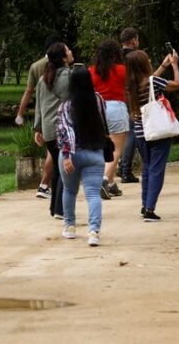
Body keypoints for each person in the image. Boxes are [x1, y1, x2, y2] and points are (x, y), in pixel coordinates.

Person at [124, 47, 179, 222]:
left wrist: (163, 66)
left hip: (141, 133)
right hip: (158, 133)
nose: (149, 61)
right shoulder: (153, 81)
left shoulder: (131, 86)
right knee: (157, 170)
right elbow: (178, 84)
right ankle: (150, 209)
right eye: (147, 60)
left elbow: (150, 81)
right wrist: (174, 65)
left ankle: (145, 204)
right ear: (143, 64)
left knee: (147, 169)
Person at [57, 67, 110, 246]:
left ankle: (70, 227)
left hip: (72, 154)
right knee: (93, 194)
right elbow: (103, 123)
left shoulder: (66, 105)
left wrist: (66, 156)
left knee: (69, 191)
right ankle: (94, 232)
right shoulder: (98, 100)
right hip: (94, 153)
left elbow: (66, 131)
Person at [14, 36, 60, 199]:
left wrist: (21, 113)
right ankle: (44, 185)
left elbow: (29, 92)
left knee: (52, 151)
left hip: (43, 113)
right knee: (54, 152)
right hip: (58, 114)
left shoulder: (36, 66)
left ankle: (50, 185)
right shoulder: (62, 64)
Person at [33, 42, 73, 219]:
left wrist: (38, 128)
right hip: (62, 129)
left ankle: (54, 207)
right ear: (64, 57)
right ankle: (60, 209)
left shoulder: (43, 79)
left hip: (48, 130)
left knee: (58, 167)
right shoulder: (69, 77)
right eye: (68, 50)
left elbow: (39, 106)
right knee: (64, 168)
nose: (71, 52)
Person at [89, 39, 128, 199]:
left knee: (104, 148)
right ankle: (104, 180)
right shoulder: (121, 70)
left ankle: (111, 184)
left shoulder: (91, 70)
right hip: (116, 108)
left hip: (98, 109)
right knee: (116, 150)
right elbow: (129, 87)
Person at [116, 28, 141, 184]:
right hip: (130, 97)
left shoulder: (115, 56)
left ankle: (119, 167)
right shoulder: (134, 57)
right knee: (132, 132)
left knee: (121, 134)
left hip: (115, 97)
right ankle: (126, 169)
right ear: (133, 40)